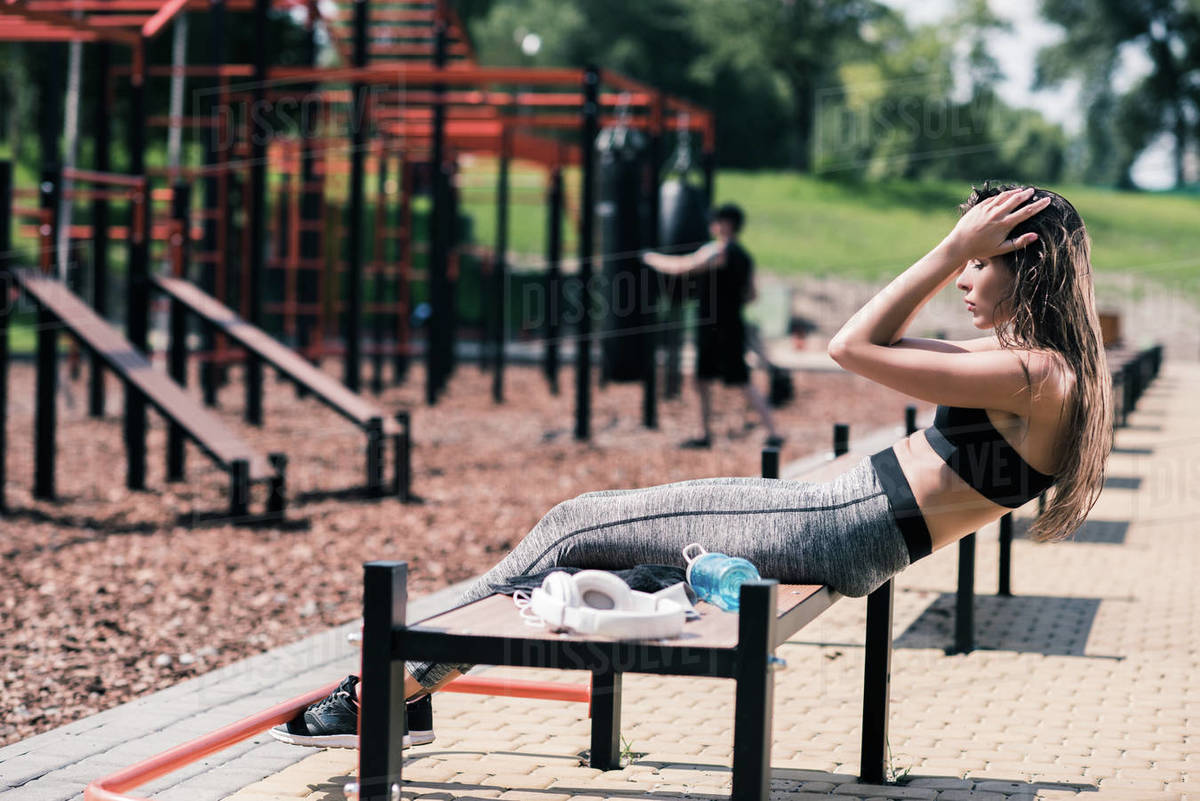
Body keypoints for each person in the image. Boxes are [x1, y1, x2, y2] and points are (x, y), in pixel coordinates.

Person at [272, 183, 1112, 750]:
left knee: (576, 522)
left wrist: (940, 247)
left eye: (980, 261)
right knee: (620, 554)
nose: (965, 278)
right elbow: (879, 342)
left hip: (837, 524)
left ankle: (381, 688)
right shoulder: (1036, 365)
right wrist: (961, 246)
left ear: (1024, 261)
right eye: (964, 260)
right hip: (839, 517)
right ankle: (411, 687)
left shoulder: (1033, 375)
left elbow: (849, 345)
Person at [641, 203, 783, 448]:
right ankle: (761, 431)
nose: (712, 225)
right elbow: (751, 295)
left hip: (714, 327)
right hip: (732, 323)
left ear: (726, 224)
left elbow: (682, 266)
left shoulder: (717, 251)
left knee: (726, 379)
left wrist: (650, 258)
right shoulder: (745, 256)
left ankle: (717, 433)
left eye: (716, 220)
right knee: (720, 379)